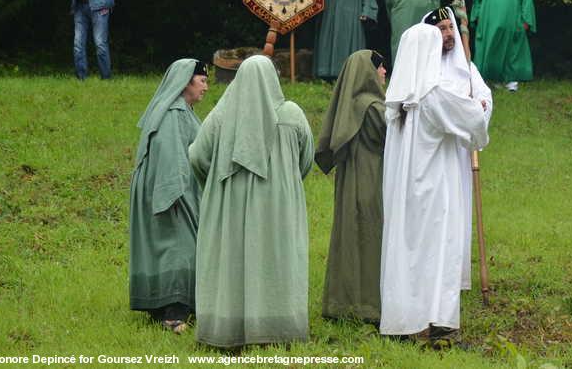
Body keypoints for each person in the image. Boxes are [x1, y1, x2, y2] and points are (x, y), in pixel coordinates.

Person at [190, 55, 314, 348]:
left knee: (232, 262)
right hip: (279, 208)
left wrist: (218, 185)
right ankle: (277, 329)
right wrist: (286, 184)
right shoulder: (292, 114)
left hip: (230, 206)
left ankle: (228, 329)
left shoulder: (221, 117)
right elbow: (305, 159)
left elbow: (197, 156)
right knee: (276, 262)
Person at [379, 24, 489, 342]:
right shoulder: (432, 95)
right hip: (434, 191)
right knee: (438, 252)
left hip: (407, 193)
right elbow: (473, 125)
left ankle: (405, 322)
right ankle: (438, 322)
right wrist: (477, 108)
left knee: (409, 253)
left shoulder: (397, 101)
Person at [129, 59, 209, 334]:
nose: (206, 87)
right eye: (202, 80)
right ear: (186, 81)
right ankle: (173, 313)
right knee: (180, 247)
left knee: (174, 247)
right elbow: (171, 157)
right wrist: (174, 196)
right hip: (171, 190)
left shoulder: (182, 110)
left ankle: (165, 307)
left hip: (175, 188)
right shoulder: (174, 112)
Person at [421, 7, 492, 293]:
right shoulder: (423, 68)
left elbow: (484, 96)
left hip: (460, 155)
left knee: (458, 213)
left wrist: (479, 108)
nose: (448, 34)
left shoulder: (466, 66)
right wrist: (467, 111)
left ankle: (456, 277)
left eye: (450, 27)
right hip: (434, 154)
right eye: (442, 29)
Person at [316, 50, 387, 323]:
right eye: (380, 68)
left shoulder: (353, 104)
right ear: (368, 72)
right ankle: (368, 305)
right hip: (369, 179)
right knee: (370, 237)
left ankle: (341, 302)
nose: (383, 73)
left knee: (348, 237)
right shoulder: (371, 108)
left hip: (351, 180)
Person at [470, 0, 536, 92]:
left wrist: (526, 20)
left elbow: (526, 3)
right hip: (489, 25)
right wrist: (475, 17)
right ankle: (492, 81)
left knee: (512, 52)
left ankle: (511, 82)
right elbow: (477, 1)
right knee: (490, 51)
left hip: (513, 24)